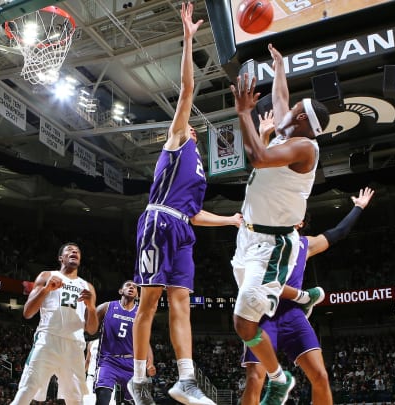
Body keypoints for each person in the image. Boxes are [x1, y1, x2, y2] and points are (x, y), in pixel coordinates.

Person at [129, 3, 243, 405]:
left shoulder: (198, 168)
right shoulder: (176, 142)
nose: (190, 125)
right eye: (187, 123)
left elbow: (194, 213)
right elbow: (187, 91)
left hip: (182, 228)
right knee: (150, 301)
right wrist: (189, 39)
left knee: (182, 302)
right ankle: (139, 379)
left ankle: (185, 379)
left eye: (192, 126)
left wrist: (230, 221)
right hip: (157, 224)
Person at [230, 43, 330, 405]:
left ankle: (278, 378)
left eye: (296, 110)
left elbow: (257, 157)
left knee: (243, 324)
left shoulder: (304, 148)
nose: (285, 109)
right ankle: (278, 373)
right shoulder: (293, 132)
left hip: (273, 246)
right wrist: (280, 67)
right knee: (246, 323)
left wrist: (244, 113)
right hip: (248, 237)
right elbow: (281, 96)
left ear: (303, 120)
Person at [241, 187, 375, 405]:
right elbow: (265, 285)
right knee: (255, 379)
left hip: (292, 317)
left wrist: (358, 207)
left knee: (321, 377)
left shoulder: (306, 245)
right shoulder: (263, 242)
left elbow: (339, 232)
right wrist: (305, 296)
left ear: (300, 223)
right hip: (261, 316)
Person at [8, 242, 98, 405]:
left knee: (76, 399)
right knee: (27, 388)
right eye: (69, 250)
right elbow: (27, 313)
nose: (74, 252)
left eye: (77, 251)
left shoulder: (87, 287)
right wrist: (46, 289)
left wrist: (91, 308)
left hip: (74, 345)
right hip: (47, 340)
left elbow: (92, 330)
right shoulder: (46, 276)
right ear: (60, 258)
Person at [91, 281, 154, 405]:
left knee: (133, 401)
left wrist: (150, 363)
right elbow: (89, 325)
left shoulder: (141, 315)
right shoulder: (107, 307)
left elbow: (145, 342)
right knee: (103, 397)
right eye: (128, 285)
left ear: (137, 295)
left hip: (131, 364)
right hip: (108, 361)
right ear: (121, 291)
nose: (131, 287)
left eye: (135, 287)